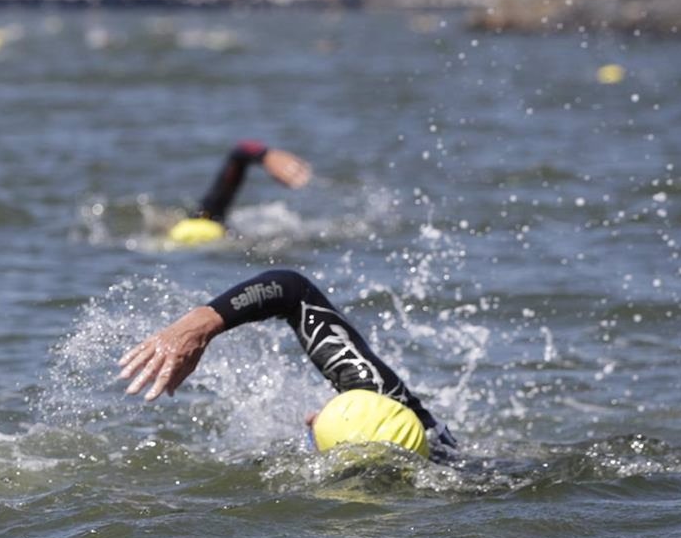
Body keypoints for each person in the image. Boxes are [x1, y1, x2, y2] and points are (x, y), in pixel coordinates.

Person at [118, 269, 457, 459]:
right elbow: (292, 291)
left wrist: (204, 322)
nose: (313, 416)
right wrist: (203, 321)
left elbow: (294, 289)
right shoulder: (384, 397)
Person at [167, 140, 313, 245]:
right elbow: (238, 154)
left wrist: (266, 155)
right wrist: (265, 155)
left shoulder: (200, 220)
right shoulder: (204, 222)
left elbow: (238, 153)